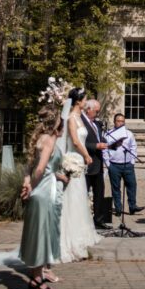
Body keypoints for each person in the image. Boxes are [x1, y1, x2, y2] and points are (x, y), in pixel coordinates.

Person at [19, 106, 67, 289]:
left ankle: (36, 278)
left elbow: (28, 167)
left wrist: (26, 183)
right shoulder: (48, 142)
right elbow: (39, 169)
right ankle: (36, 278)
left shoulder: (38, 140)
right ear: (55, 123)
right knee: (42, 236)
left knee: (37, 234)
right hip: (45, 192)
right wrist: (31, 186)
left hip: (38, 192)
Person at [59, 87, 102, 260]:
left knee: (80, 198)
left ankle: (82, 235)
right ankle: (71, 238)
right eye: (84, 99)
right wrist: (86, 155)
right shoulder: (70, 118)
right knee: (73, 198)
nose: (86, 102)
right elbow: (75, 141)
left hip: (80, 162)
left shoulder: (80, 118)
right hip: (74, 160)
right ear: (78, 101)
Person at [105, 113, 144, 216]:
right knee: (116, 188)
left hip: (127, 164)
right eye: (118, 121)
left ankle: (132, 206)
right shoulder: (108, 134)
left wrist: (132, 162)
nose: (120, 123)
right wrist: (108, 163)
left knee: (132, 186)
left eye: (122, 121)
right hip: (114, 164)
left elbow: (133, 147)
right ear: (114, 122)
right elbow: (104, 150)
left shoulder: (129, 134)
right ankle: (118, 208)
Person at [81, 98, 111, 230]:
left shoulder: (96, 124)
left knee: (100, 193)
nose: (98, 114)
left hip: (98, 164)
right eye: (96, 111)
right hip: (87, 163)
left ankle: (99, 220)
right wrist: (95, 146)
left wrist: (109, 144)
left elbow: (101, 138)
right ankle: (83, 220)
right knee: (84, 193)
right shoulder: (81, 123)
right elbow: (80, 143)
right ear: (88, 110)